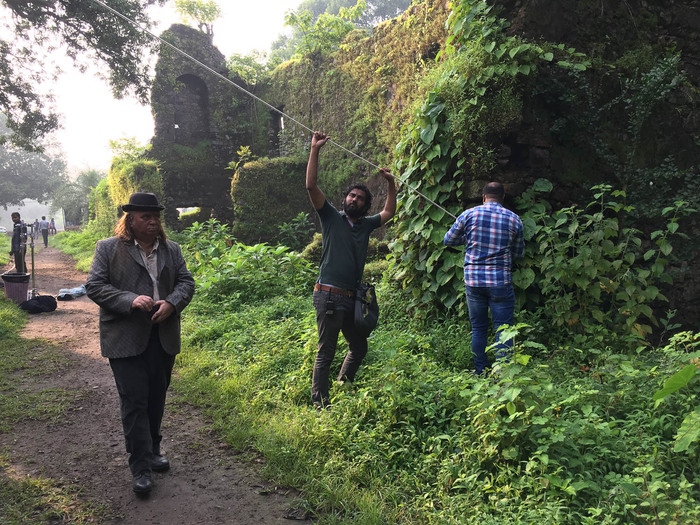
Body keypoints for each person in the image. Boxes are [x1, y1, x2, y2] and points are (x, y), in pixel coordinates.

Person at [86, 192, 195, 495]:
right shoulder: (108, 248)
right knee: (134, 400)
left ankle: (153, 449)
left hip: (163, 336)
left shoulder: (171, 249)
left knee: (156, 397)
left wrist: (172, 303)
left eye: (156, 216)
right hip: (125, 337)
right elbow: (94, 286)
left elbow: (186, 282)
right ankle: (141, 467)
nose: (153, 221)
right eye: (145, 217)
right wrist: (130, 299)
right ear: (130, 220)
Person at [306, 131, 397, 408]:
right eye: (351, 195)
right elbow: (311, 186)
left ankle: (343, 386)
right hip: (329, 296)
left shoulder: (366, 225)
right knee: (326, 352)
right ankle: (320, 405)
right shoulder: (331, 217)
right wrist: (315, 149)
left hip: (351, 297)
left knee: (358, 347)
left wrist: (391, 183)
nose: (354, 199)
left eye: (360, 198)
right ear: (344, 199)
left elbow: (389, 212)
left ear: (365, 205)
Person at [443, 182, 524, 375]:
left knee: (478, 328)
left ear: (483, 197)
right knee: (503, 328)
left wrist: (468, 238)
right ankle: (503, 374)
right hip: (500, 281)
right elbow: (518, 253)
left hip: (474, 281)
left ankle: (481, 371)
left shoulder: (468, 215)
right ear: (502, 198)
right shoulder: (514, 219)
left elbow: (448, 240)